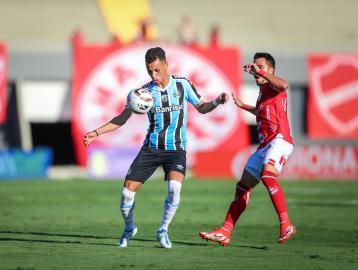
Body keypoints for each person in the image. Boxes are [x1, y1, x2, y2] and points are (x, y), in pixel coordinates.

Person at [84, 47, 229, 249]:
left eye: (157, 70)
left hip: (176, 149)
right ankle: (128, 228)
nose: (154, 75)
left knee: (174, 190)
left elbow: (202, 107)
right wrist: (97, 132)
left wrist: (217, 101)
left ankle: (163, 230)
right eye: (150, 71)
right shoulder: (144, 93)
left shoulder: (182, 85)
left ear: (166, 65)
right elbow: (122, 118)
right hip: (151, 149)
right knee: (127, 193)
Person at [199, 52, 296, 246]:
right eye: (254, 67)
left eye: (260, 67)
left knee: (268, 177)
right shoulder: (263, 93)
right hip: (265, 145)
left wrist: (261, 72)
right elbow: (260, 110)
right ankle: (225, 231)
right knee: (242, 187)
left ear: (271, 70)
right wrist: (241, 105)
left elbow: (283, 85)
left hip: (280, 141)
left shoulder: (274, 86)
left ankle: (286, 223)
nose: (255, 70)